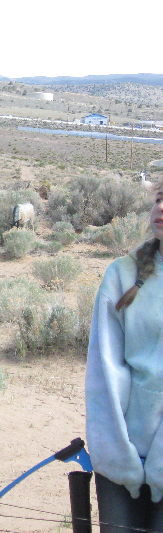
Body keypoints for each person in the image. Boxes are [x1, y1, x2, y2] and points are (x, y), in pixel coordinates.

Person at [85, 178, 163, 533]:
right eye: (159, 199)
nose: (160, 208)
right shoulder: (122, 274)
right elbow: (104, 372)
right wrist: (116, 455)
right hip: (124, 455)